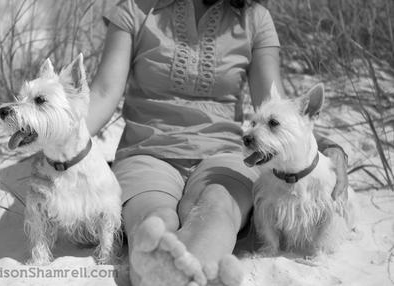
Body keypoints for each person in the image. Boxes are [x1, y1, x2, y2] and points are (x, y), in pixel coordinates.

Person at [86, 0, 349, 285]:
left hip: (225, 154)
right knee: (154, 218)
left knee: (217, 209)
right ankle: (162, 273)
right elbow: (102, 93)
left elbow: (276, 108)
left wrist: (327, 145)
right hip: (146, 152)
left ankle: (177, 277)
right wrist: (59, 141)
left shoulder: (254, 19)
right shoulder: (134, 10)